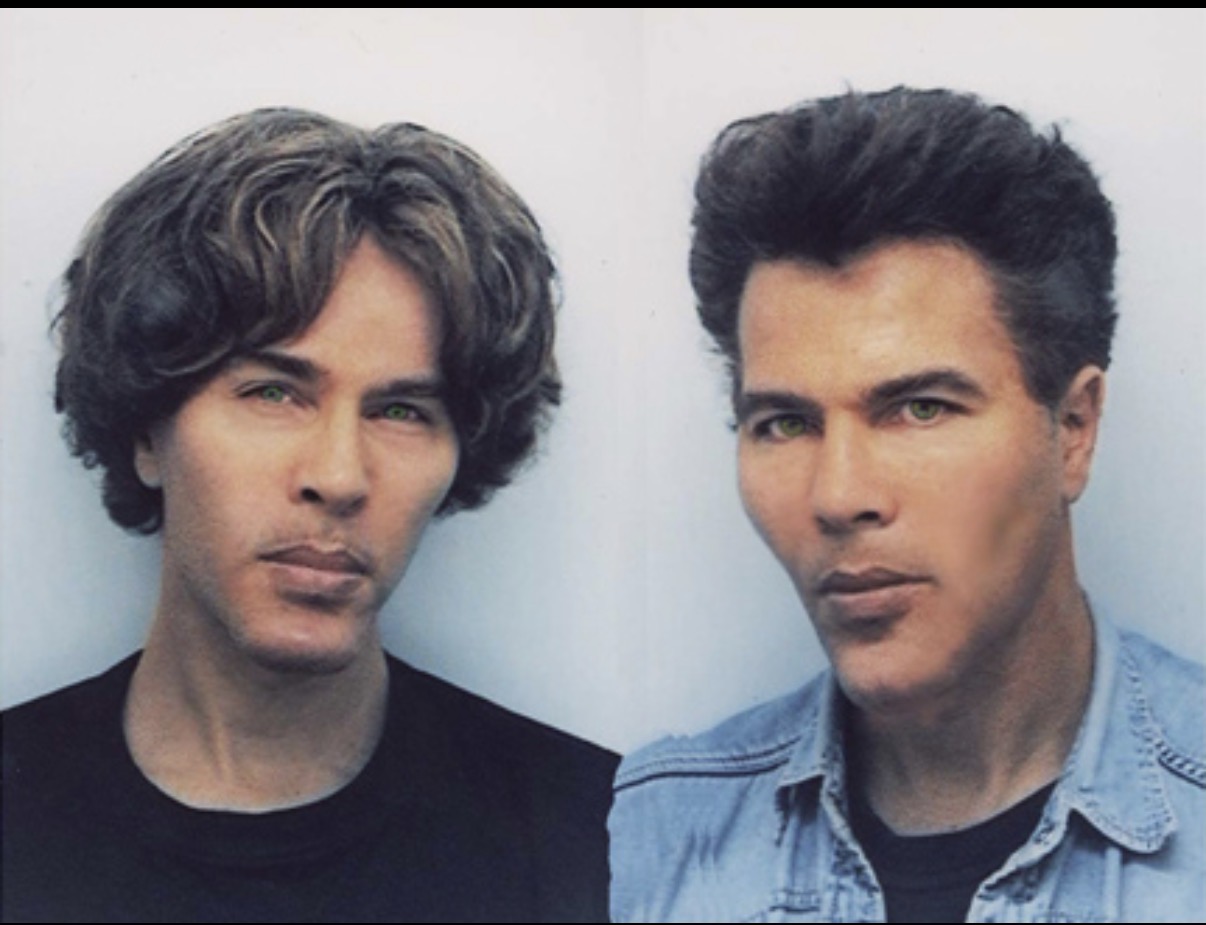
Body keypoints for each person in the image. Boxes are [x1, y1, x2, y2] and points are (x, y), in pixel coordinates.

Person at [2, 107, 617, 923]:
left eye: (401, 411)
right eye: (273, 393)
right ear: (147, 430)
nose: (338, 476)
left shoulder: (602, 836)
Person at [608, 87, 1205, 923]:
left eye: (921, 408)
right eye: (785, 423)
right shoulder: (652, 832)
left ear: (1073, 429)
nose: (839, 496)